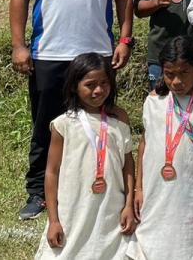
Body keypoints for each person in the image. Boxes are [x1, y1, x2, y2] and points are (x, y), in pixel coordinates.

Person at [9, 0, 135, 221]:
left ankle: (97, 183)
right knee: (46, 126)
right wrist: (19, 45)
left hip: (96, 55)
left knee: (99, 122)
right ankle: (38, 192)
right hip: (49, 52)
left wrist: (124, 40)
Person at [124, 37, 193, 260]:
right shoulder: (153, 102)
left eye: (184, 73)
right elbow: (144, 145)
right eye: (169, 74)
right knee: (153, 236)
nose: (176, 81)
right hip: (155, 189)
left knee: (190, 236)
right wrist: (139, 188)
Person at [35, 54, 136, 259]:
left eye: (104, 83)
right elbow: (52, 172)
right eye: (90, 85)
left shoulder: (120, 118)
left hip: (111, 209)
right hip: (74, 209)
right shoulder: (64, 124)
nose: (98, 90)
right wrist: (53, 221)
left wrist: (128, 205)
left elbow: (128, 165)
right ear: (74, 86)